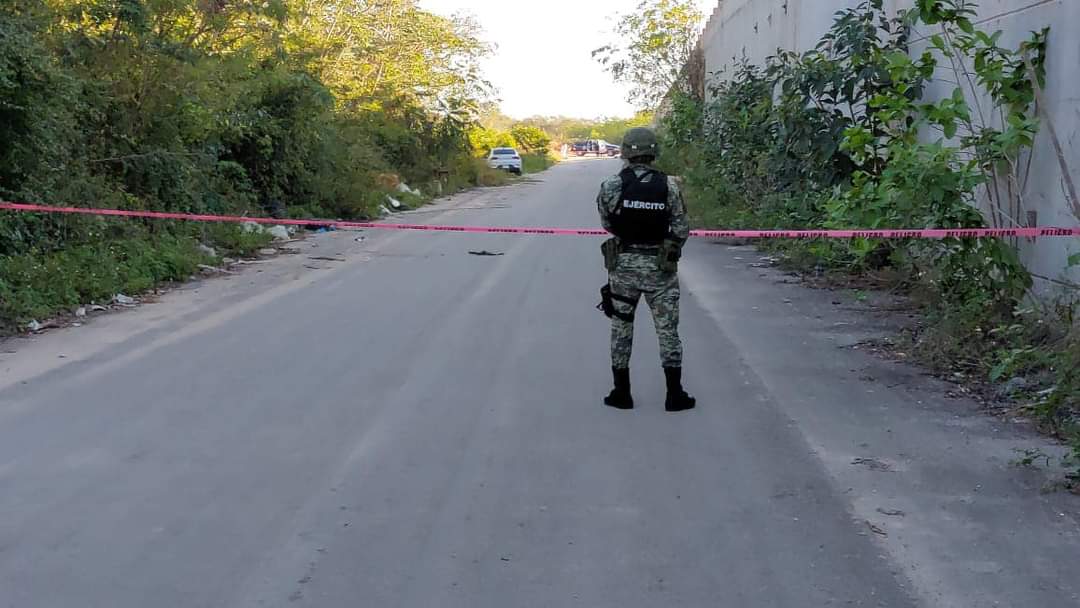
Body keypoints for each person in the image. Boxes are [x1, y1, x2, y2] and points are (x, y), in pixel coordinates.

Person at [596, 127, 696, 412]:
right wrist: (668, 246)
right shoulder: (669, 186)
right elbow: (681, 228)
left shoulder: (612, 185)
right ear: (653, 152)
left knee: (621, 327)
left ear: (626, 152)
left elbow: (607, 223)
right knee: (667, 330)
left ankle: (621, 393)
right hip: (660, 270)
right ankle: (674, 395)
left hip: (624, 268)